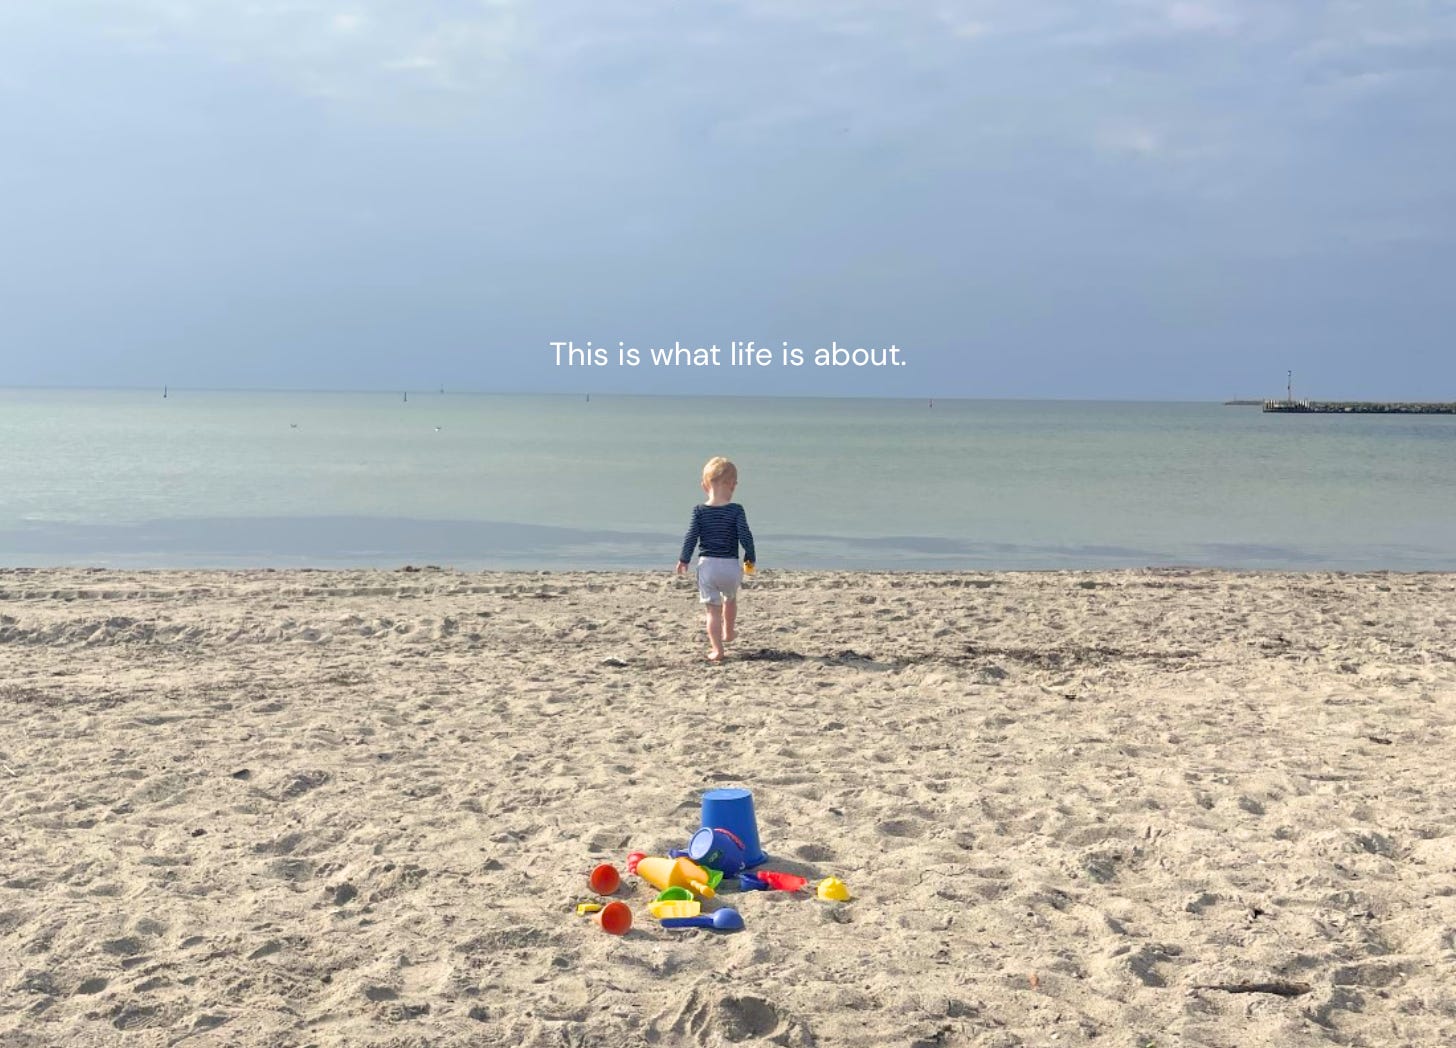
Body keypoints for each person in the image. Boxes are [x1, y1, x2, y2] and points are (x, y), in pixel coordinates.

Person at [676, 457, 756, 662]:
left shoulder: (699, 511)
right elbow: (745, 536)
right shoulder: (736, 510)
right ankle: (729, 632)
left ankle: (717, 649)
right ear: (732, 485)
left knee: (712, 611)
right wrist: (749, 561)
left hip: (708, 566)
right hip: (730, 567)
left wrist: (684, 559)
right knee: (730, 599)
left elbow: (691, 537)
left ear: (704, 486)